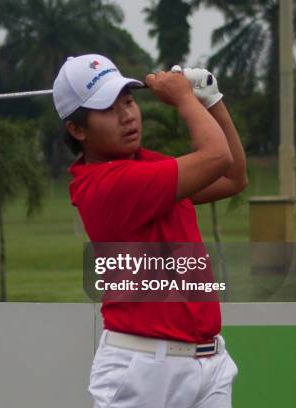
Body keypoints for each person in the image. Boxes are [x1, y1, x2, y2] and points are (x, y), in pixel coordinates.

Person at [52, 54, 247, 408]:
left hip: (209, 362)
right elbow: (217, 157)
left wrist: (211, 99)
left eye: (128, 101)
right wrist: (185, 98)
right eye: (109, 109)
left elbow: (233, 177)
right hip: (141, 371)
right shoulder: (105, 185)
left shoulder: (148, 164)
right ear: (77, 129)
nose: (127, 115)